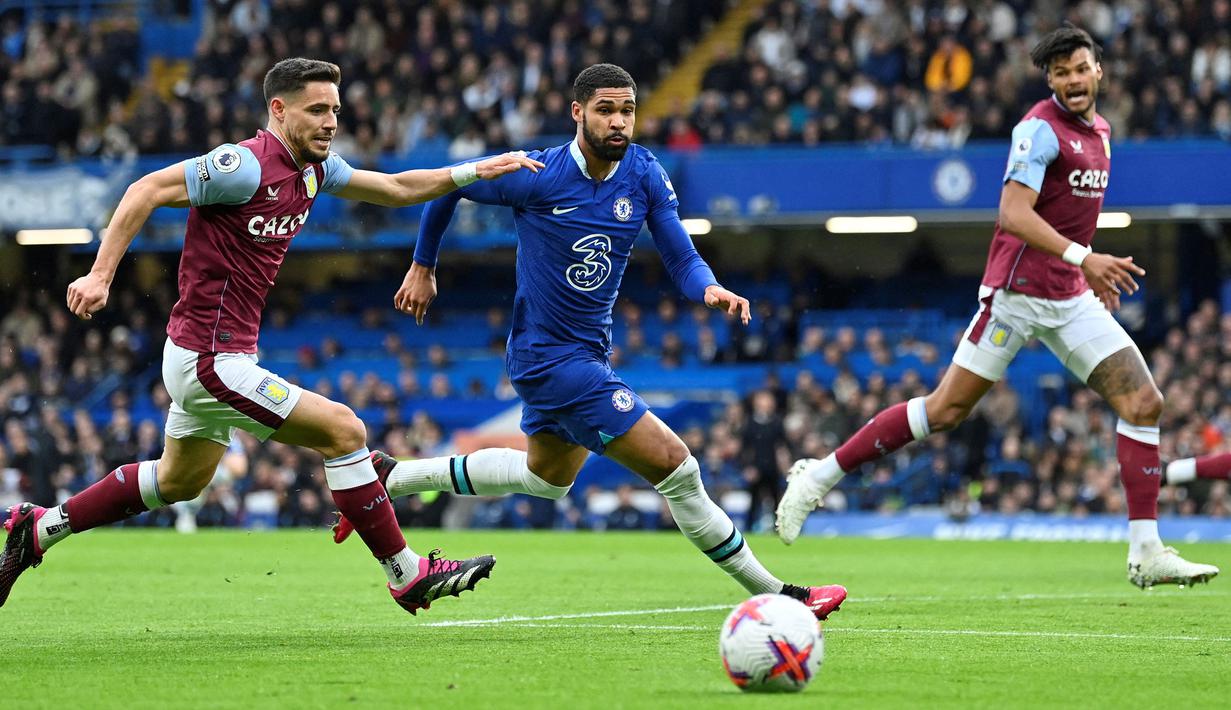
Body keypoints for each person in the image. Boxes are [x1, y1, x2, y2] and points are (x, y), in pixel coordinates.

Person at [0, 58, 545, 615]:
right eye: (316, 110)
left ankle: (39, 529)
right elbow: (146, 188)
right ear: (278, 111)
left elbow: (398, 187)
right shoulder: (242, 166)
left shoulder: (315, 170)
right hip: (208, 359)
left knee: (179, 480)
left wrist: (476, 170)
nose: (331, 121)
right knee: (344, 429)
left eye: (335, 109)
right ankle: (407, 574)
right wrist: (100, 274)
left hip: (216, 354)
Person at [334, 64, 846, 620]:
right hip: (551, 360)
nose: (619, 121)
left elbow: (679, 254)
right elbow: (447, 188)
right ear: (577, 112)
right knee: (679, 468)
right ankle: (781, 595)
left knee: (546, 480)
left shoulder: (645, 173)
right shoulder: (535, 172)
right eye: (606, 110)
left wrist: (710, 288)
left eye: (627, 110)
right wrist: (423, 264)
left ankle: (392, 476)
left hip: (584, 353)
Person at [776, 26, 1219, 590]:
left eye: (1080, 69)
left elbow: (1069, 216)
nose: (1072, 81)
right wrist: (1085, 258)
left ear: (1098, 70)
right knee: (945, 412)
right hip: (1016, 298)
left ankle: (1147, 550)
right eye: (1060, 74)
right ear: (1049, 81)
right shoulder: (1038, 130)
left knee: (1142, 402)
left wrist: (1086, 273)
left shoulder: (1102, 132)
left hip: (1070, 296)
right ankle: (819, 475)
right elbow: (1013, 212)